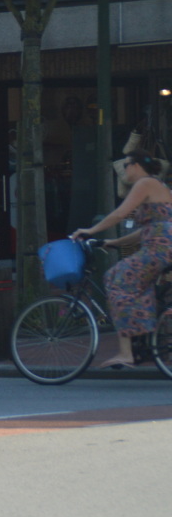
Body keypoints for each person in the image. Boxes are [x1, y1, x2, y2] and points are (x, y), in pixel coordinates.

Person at [71, 153, 172, 369]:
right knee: (138, 284)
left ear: (136, 165)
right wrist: (114, 242)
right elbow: (150, 228)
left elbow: (120, 214)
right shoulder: (159, 186)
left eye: (126, 165)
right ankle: (145, 337)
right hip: (164, 248)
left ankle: (127, 353)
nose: (124, 170)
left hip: (158, 250)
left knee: (116, 277)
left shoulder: (145, 183)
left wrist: (90, 230)